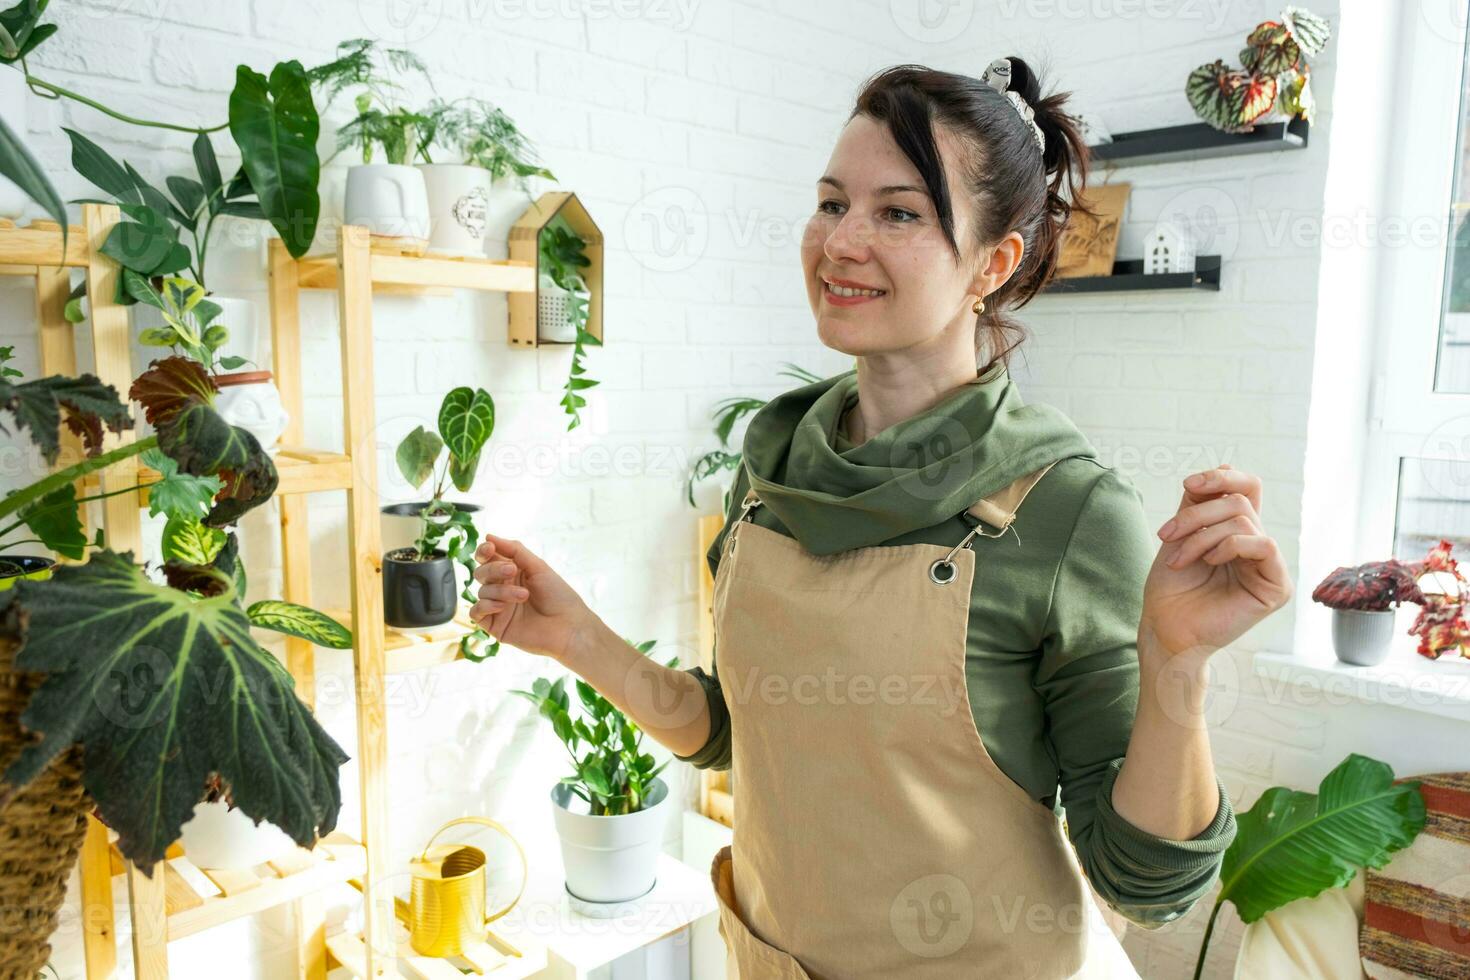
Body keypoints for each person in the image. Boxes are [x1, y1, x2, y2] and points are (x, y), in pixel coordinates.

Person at [469, 58, 1294, 979]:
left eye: (898, 212)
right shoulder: (773, 464)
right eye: (831, 204)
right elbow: (746, 733)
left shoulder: (1066, 508)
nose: (841, 242)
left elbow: (1147, 883)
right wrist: (578, 638)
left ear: (994, 263)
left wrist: (1175, 665)